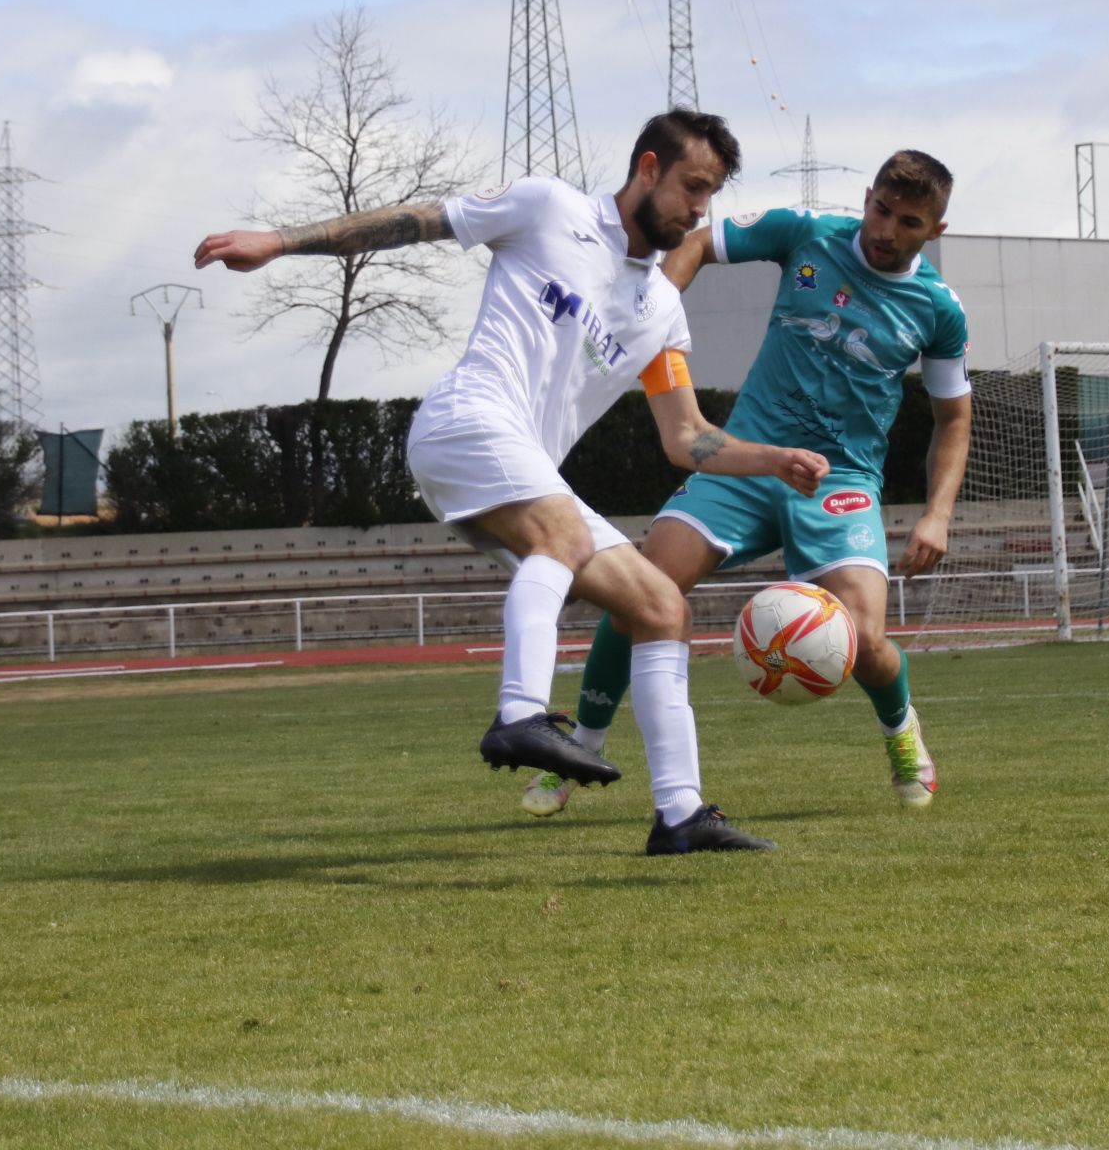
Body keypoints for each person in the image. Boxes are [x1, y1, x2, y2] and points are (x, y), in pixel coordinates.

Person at [195, 109, 830, 855]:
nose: (699, 210)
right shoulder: (549, 208)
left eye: (711, 195)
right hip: (465, 421)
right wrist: (281, 241)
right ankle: (520, 714)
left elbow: (685, 437)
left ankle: (680, 816)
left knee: (660, 604)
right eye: (692, 187)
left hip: (521, 461)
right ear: (648, 168)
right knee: (561, 532)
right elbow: (418, 222)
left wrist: (771, 458)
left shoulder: (660, 309)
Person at [524, 149, 973, 819]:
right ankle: (579, 749)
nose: (885, 230)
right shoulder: (807, 232)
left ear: (933, 231)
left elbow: (953, 418)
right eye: (880, 209)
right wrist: (655, 310)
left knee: (864, 639)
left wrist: (937, 514)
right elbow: (701, 241)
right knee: (644, 586)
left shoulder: (939, 310)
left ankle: (901, 732)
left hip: (839, 481)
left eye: (907, 222)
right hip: (746, 456)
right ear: (868, 194)